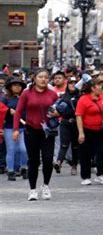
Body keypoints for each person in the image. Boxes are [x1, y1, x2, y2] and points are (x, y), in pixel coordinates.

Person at [13, 68, 58, 201]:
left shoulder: (52, 94)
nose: (43, 79)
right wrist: (16, 129)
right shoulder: (26, 93)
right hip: (31, 130)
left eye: (46, 77)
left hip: (48, 131)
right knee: (33, 160)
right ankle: (32, 190)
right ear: (34, 79)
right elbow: (18, 112)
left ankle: (45, 186)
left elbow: (59, 110)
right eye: (40, 77)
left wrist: (58, 114)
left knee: (48, 159)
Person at [76, 78, 103, 186]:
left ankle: (101, 175)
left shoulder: (101, 98)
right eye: (98, 86)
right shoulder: (83, 99)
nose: (101, 88)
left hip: (101, 130)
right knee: (86, 154)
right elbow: (79, 116)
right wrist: (81, 132)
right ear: (92, 88)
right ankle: (85, 176)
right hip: (87, 130)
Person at [0, 77, 28, 181]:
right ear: (10, 87)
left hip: (23, 127)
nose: (17, 87)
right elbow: (0, 107)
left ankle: (24, 168)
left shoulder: (24, 97)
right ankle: (11, 171)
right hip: (9, 128)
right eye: (15, 85)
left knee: (24, 149)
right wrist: (8, 110)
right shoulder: (5, 98)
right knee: (11, 150)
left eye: (19, 85)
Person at [53, 77, 80, 176]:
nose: (72, 85)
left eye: (74, 83)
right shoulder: (63, 97)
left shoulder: (80, 96)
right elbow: (56, 110)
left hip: (77, 123)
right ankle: (59, 162)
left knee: (75, 146)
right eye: (70, 83)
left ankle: (74, 166)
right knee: (64, 144)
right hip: (65, 122)